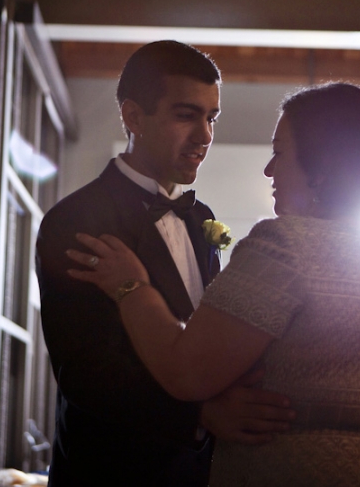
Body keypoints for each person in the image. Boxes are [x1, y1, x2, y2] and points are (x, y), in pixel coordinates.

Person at [68, 82, 360, 486]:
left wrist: (131, 287)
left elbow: (185, 371)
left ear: (322, 165)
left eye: (279, 152)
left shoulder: (285, 246)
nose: (269, 169)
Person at [36, 40, 295, 487]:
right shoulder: (75, 220)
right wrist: (200, 413)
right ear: (133, 117)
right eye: (185, 114)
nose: (205, 136)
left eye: (211, 118)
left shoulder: (203, 218)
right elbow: (87, 372)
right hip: (110, 471)